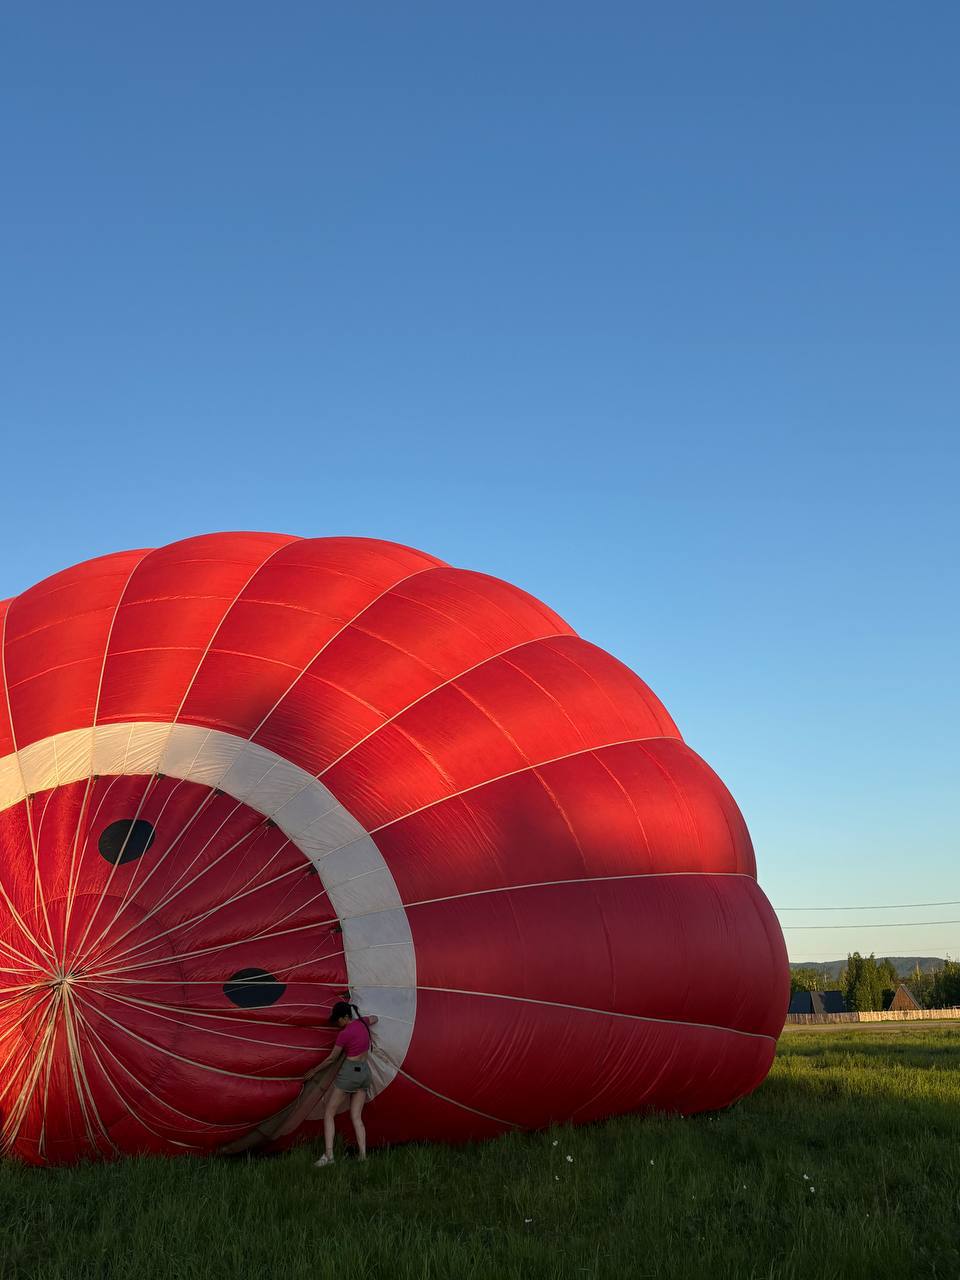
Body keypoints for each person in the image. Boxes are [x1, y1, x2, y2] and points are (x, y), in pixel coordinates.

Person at [312, 1001, 378, 1167]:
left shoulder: (344, 1034)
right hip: (364, 1073)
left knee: (329, 1112)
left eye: (338, 1019)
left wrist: (314, 1071)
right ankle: (363, 1157)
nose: (337, 1023)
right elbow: (375, 1018)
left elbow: (332, 1058)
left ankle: (329, 1156)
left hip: (350, 1072)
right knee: (356, 1117)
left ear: (346, 1017)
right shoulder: (363, 1022)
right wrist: (367, 1019)